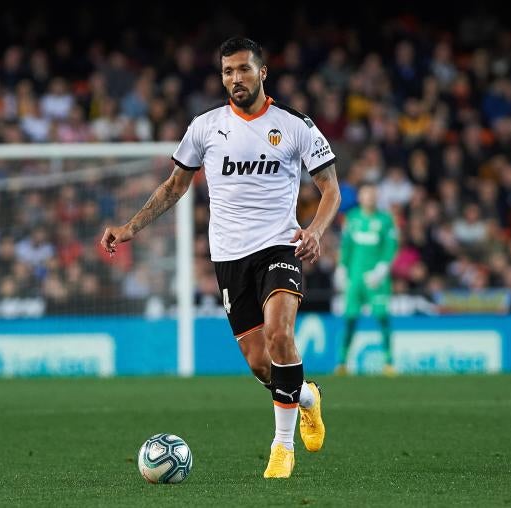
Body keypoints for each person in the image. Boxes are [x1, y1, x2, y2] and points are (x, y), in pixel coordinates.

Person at [100, 37, 340, 479]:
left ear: (262, 72)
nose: (235, 79)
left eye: (244, 70)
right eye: (228, 71)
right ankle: (307, 397)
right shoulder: (205, 127)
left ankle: (281, 448)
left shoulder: (295, 125)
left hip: (280, 245)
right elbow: (175, 186)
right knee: (258, 362)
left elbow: (331, 189)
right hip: (229, 258)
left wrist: (315, 231)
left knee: (279, 333)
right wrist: (129, 227)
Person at [334, 183, 398, 376]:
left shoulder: (385, 220)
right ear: (360, 197)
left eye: (372, 194)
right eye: (365, 194)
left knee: (382, 316)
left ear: (377, 197)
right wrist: (341, 268)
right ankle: (343, 363)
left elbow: (391, 246)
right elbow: (345, 246)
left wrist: (382, 268)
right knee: (350, 318)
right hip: (355, 277)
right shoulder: (351, 219)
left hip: (376, 278)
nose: (369, 197)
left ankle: (389, 362)